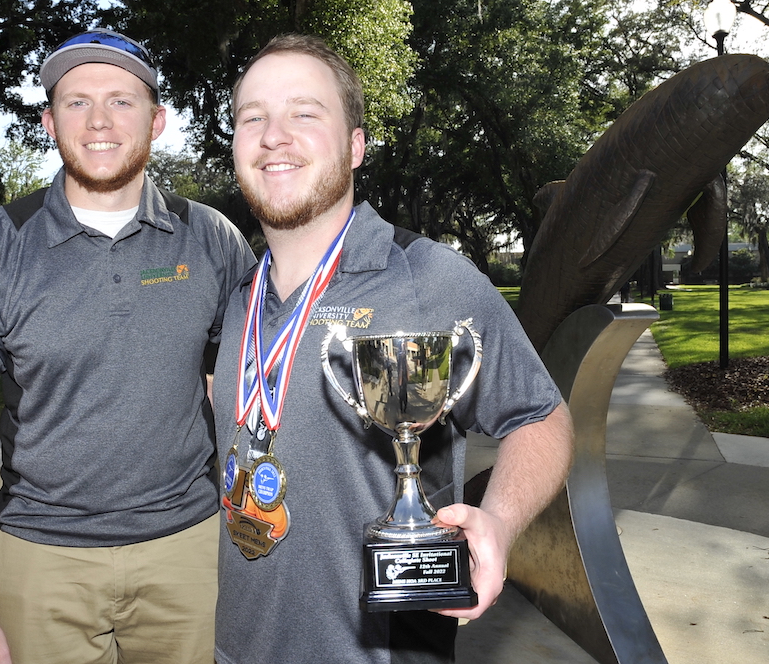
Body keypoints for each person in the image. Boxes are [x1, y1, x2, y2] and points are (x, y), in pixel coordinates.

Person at [212, 34, 574, 663]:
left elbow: (540, 416)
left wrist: (499, 522)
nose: (274, 135)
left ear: (355, 146)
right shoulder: (238, 295)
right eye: (253, 117)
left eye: (304, 112)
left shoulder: (430, 277)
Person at [0, 29, 255, 664]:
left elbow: (246, 388)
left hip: (188, 549)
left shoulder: (210, 238)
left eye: (121, 101)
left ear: (157, 121)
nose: (99, 120)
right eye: (76, 102)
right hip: (38, 557)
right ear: (49, 122)